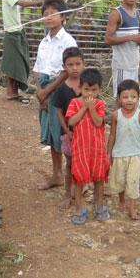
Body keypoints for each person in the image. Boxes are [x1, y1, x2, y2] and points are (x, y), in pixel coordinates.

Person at [33, 0, 77, 190]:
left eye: (53, 14)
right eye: (46, 14)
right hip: (44, 88)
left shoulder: (68, 41)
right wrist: (39, 91)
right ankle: (57, 174)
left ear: (63, 17)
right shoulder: (44, 41)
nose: (49, 17)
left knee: (64, 132)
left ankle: (73, 175)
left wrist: (48, 91)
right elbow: (37, 68)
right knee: (51, 133)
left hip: (60, 89)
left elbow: (68, 69)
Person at [66, 68, 109, 224]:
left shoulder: (100, 104)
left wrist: (91, 108)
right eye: (86, 89)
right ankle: (79, 208)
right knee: (79, 179)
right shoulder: (74, 103)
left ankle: (99, 206)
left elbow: (98, 122)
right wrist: (84, 107)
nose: (90, 93)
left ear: (99, 89)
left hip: (97, 150)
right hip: (80, 148)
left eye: (94, 90)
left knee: (99, 178)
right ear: (80, 88)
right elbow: (71, 122)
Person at [107, 79, 140, 220]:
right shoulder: (116, 115)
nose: (129, 100)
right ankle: (122, 201)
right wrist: (108, 153)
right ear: (119, 98)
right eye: (125, 97)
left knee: (133, 181)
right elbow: (112, 135)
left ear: (139, 97)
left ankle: (132, 208)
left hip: (135, 154)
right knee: (119, 180)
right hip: (119, 154)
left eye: (133, 97)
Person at [1, 0, 43, 102]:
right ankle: (10, 92)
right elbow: (23, 4)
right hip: (12, 33)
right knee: (12, 64)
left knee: (19, 62)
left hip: (18, 31)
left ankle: (14, 92)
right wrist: (42, 1)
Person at [52, 47, 84, 209]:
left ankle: (80, 190)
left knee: (84, 163)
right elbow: (58, 112)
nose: (74, 68)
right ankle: (67, 193)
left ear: (83, 64)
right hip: (69, 134)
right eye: (70, 65)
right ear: (64, 66)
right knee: (70, 163)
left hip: (86, 133)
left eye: (78, 64)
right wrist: (67, 131)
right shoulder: (61, 89)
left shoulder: (88, 86)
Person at [104, 0, 140, 92]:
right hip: (122, 66)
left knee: (132, 98)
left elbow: (133, 38)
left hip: (134, 64)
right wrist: (130, 38)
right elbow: (107, 39)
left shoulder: (137, 13)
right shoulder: (117, 13)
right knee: (121, 98)